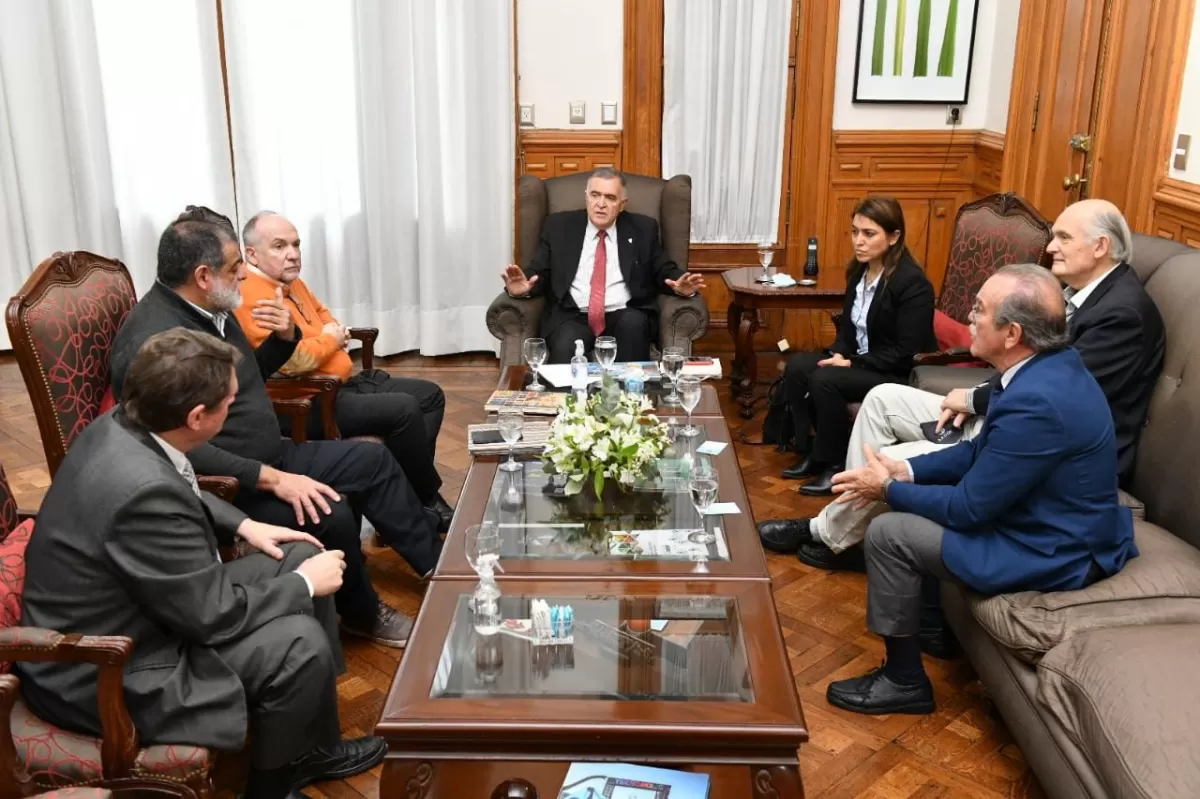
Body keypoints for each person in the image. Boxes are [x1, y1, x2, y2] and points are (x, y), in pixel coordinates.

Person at [19, 329, 387, 799]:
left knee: (301, 552)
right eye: (229, 401)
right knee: (299, 643)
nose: (236, 405)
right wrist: (300, 586)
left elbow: (176, 485)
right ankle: (274, 786)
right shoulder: (141, 491)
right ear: (196, 417)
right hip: (109, 666)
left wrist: (244, 525)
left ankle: (310, 744)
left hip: (145, 605)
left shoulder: (127, 422)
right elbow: (209, 616)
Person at [759, 199, 1165, 575]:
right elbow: (1023, 366)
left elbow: (1054, 390)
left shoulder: (1121, 313)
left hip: (1045, 441)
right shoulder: (1074, 293)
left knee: (894, 457)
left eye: (1062, 237)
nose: (1050, 246)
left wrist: (972, 399)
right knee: (881, 400)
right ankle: (843, 523)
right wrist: (973, 399)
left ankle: (828, 533)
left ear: (1100, 246)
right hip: (1002, 411)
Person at [110, 207, 434, 648]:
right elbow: (162, 447)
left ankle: (437, 567)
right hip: (226, 480)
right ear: (203, 275)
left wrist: (285, 340)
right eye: (234, 266)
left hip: (272, 452)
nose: (244, 274)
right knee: (330, 510)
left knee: (374, 460)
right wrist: (271, 478)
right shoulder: (157, 344)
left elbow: (248, 380)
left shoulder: (211, 308)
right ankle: (362, 614)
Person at [822, 264, 1137, 715]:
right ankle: (930, 626)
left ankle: (904, 680)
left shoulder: (1037, 401)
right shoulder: (1041, 368)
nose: (969, 317)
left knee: (889, 534)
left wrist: (886, 489)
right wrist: (906, 470)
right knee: (913, 507)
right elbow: (975, 455)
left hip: (1053, 549)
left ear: (1011, 333)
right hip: (1041, 520)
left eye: (979, 310)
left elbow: (969, 509)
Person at [233, 210, 453, 531]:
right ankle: (426, 501)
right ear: (251, 253)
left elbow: (325, 317)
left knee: (429, 395)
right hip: (308, 400)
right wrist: (331, 339)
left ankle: (412, 497)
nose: (293, 254)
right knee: (404, 408)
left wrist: (327, 337)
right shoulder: (251, 296)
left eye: (296, 244)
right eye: (279, 246)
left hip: (340, 385)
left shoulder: (291, 282)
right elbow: (295, 361)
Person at [778, 196, 936, 494]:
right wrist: (840, 351)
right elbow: (850, 330)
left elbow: (906, 352)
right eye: (855, 232)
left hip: (895, 371)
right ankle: (810, 451)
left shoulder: (912, 283)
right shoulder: (858, 273)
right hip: (862, 361)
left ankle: (835, 465)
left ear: (894, 236)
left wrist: (852, 363)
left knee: (825, 379)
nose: (858, 242)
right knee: (798, 366)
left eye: (868, 234)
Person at [501, 168, 706, 363]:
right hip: (573, 314)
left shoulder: (643, 229)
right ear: (586, 196)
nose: (601, 204)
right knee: (565, 345)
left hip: (624, 313)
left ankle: (630, 398)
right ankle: (566, 398)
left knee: (633, 326)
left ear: (622, 203)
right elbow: (539, 270)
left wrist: (681, 286)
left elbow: (664, 269)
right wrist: (523, 288)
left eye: (610, 197)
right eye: (595, 195)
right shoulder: (559, 227)